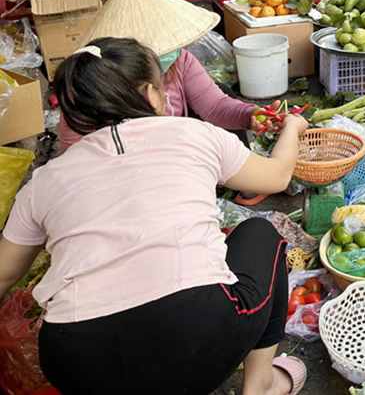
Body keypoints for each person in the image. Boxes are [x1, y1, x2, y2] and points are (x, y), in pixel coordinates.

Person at [0, 37, 310, 395]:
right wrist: (291, 129)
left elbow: (5, 273)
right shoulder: (193, 135)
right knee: (261, 234)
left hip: (74, 362)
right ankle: (262, 386)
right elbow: (277, 175)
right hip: (193, 343)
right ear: (151, 95)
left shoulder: (44, 181)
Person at [59, 0, 284, 202]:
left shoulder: (179, 61)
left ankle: (244, 180)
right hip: (120, 187)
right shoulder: (87, 89)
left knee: (223, 90)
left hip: (170, 172)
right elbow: (76, 162)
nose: (172, 53)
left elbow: (214, 105)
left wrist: (251, 114)